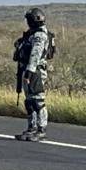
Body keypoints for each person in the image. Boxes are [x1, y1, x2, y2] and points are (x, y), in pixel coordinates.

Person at [15, 8, 51, 142]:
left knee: (38, 101)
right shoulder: (32, 34)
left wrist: (29, 72)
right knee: (29, 101)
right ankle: (32, 127)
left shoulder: (40, 35)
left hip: (35, 71)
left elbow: (35, 55)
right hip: (27, 69)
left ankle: (41, 129)